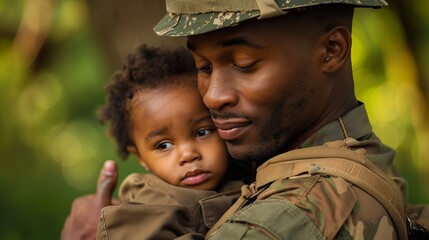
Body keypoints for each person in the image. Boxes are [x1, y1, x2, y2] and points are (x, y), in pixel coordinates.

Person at [62, 0, 429, 239]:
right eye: (203, 67)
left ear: (332, 50)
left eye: (244, 64)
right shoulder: (365, 158)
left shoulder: (287, 217)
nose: (212, 95)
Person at [63, 44, 246, 239]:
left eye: (202, 132)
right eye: (164, 145)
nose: (188, 154)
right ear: (140, 157)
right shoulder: (152, 205)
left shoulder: (241, 170)